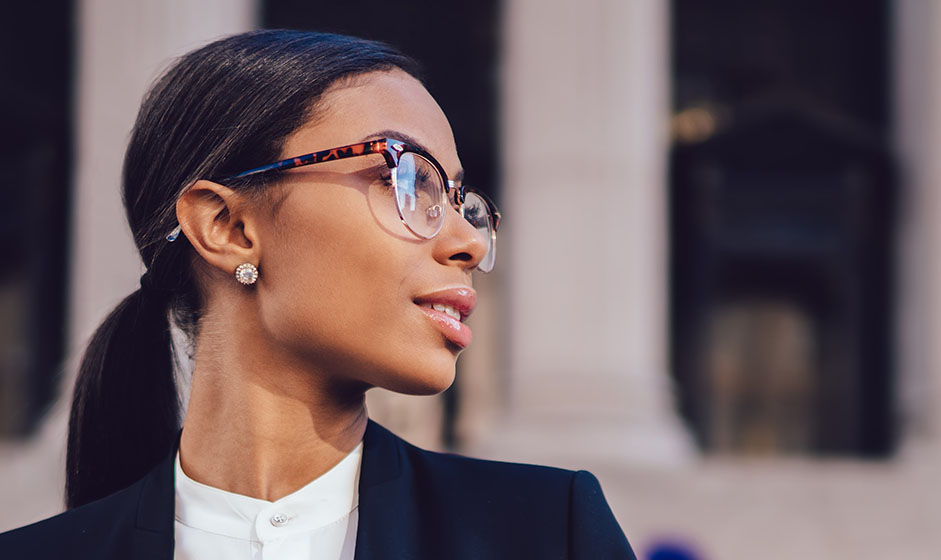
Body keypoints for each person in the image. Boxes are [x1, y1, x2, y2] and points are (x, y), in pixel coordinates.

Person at [0, 30, 635, 559]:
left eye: (461, 200)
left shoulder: (546, 534)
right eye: (407, 178)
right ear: (229, 227)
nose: (467, 239)